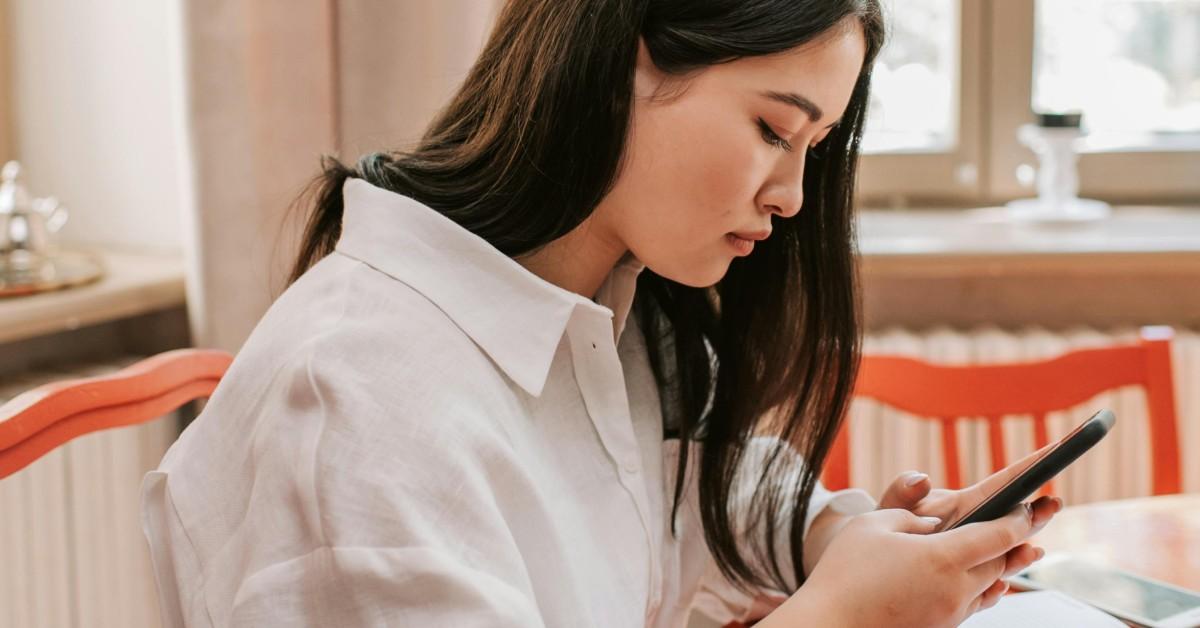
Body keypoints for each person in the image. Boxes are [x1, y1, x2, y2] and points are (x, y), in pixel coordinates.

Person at [141, 0, 1062, 626]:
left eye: (813, 148)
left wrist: (840, 537)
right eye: (773, 130)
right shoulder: (355, 401)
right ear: (616, 60)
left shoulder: (598, 314)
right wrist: (835, 615)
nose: (791, 195)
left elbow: (706, 483)